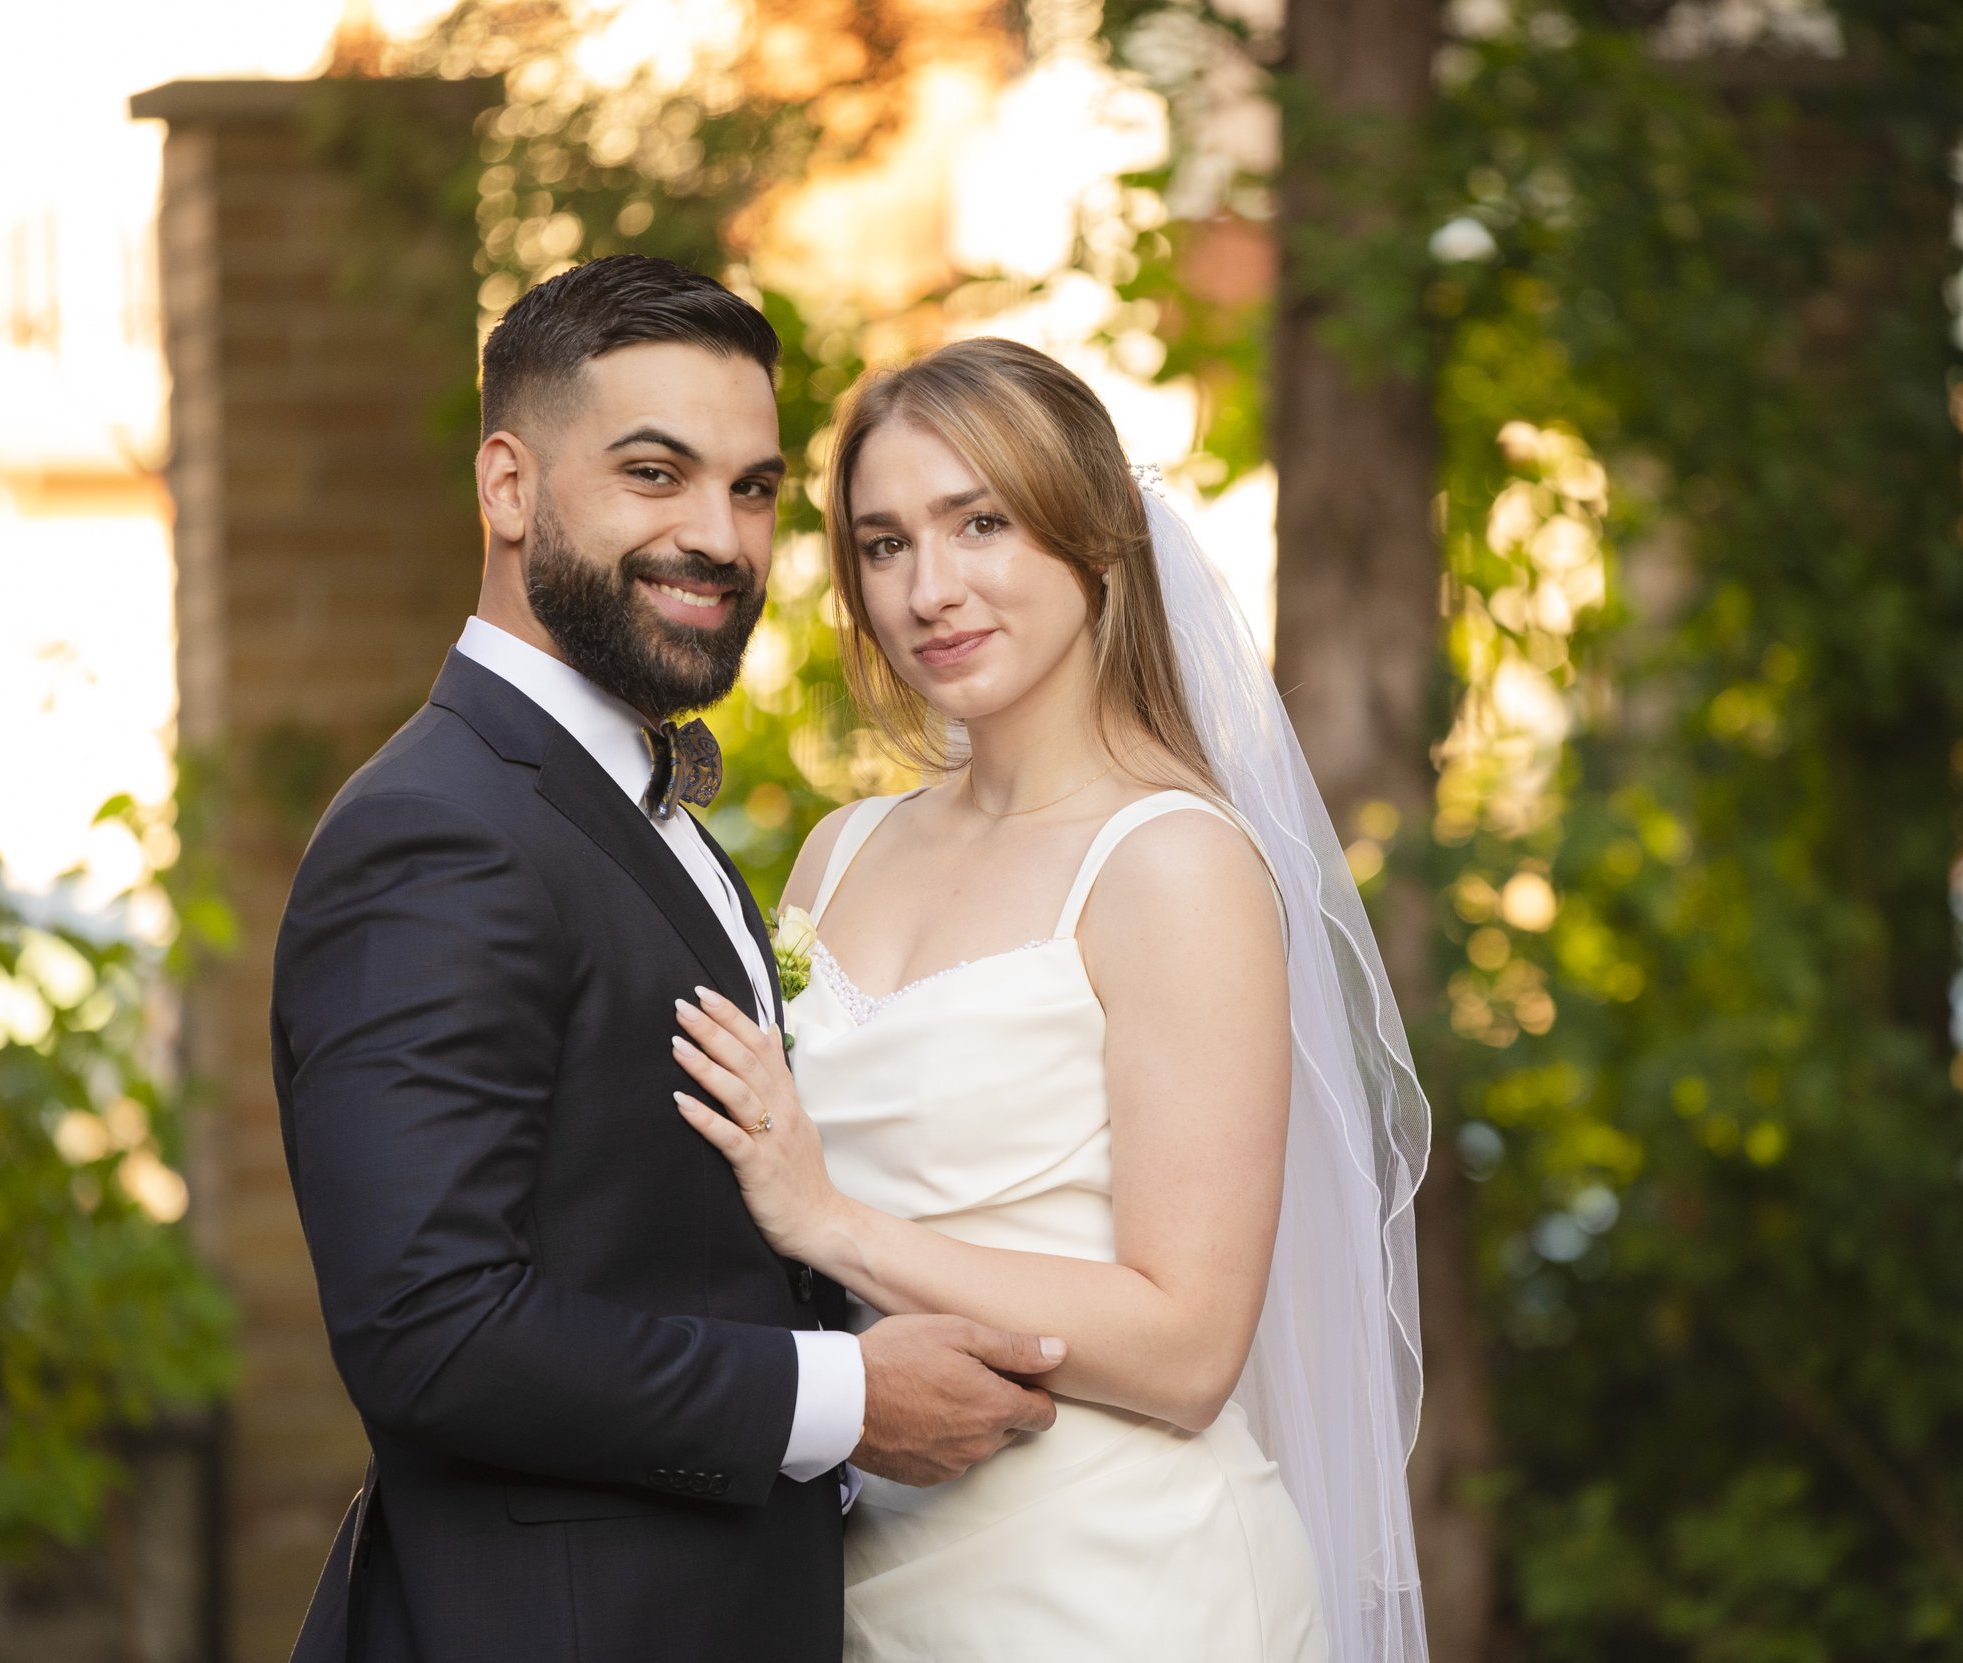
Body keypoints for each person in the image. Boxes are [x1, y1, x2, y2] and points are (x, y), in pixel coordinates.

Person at [270, 258, 1068, 1663]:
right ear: (508, 488)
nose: (719, 536)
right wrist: (841, 1400)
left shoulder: (630, 808)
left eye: (753, 489)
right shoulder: (435, 832)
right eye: (655, 473)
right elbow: (430, 1333)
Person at [671, 337, 1431, 1662]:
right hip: (867, 1578)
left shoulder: (1173, 864)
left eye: (982, 524)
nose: (931, 589)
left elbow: (1188, 1347)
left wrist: (833, 1222)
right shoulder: (839, 852)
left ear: (1094, 541)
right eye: (886, 544)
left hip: (1125, 1587)